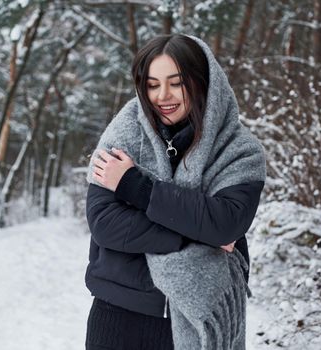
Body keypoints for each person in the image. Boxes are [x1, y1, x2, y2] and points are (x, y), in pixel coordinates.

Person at [84, 33, 266, 350]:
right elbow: (105, 224)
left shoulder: (239, 151)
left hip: (201, 321)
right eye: (152, 85)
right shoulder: (122, 134)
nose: (162, 96)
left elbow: (226, 223)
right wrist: (196, 234)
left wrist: (133, 185)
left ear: (203, 81)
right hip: (117, 313)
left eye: (176, 82)